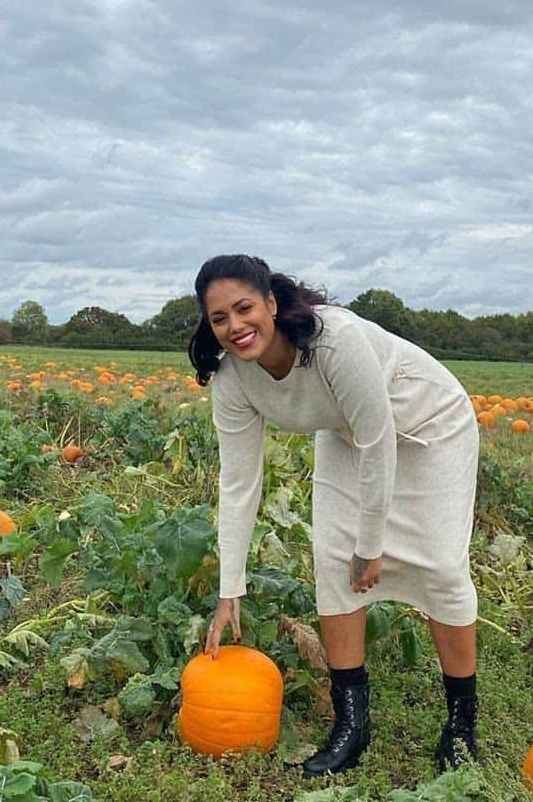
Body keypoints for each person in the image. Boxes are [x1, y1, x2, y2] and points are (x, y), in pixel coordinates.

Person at [188, 254, 480, 778]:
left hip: (428, 425)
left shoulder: (333, 341)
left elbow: (379, 438)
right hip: (349, 435)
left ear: (271, 304)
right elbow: (238, 483)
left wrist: (371, 546)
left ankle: (461, 723)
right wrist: (229, 587)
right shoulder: (233, 381)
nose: (236, 327)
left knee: (441, 567)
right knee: (334, 564)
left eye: (244, 308)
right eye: (220, 318)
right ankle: (352, 725)